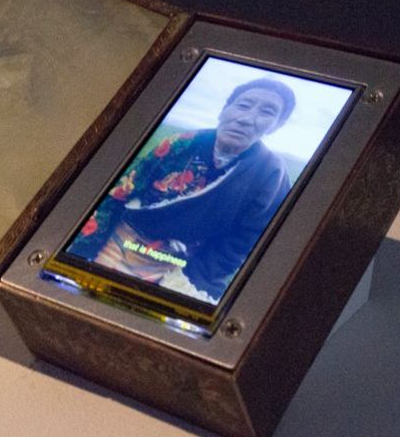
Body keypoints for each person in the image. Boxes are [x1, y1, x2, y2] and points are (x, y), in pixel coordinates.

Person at [67, 77, 295, 303]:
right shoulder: (179, 144)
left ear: (276, 126)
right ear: (224, 110)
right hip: (124, 239)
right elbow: (120, 194)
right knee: (81, 294)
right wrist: (84, 248)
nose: (246, 119)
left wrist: (187, 278)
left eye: (267, 112)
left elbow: (242, 242)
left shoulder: (272, 175)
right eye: (243, 105)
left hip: (181, 264)